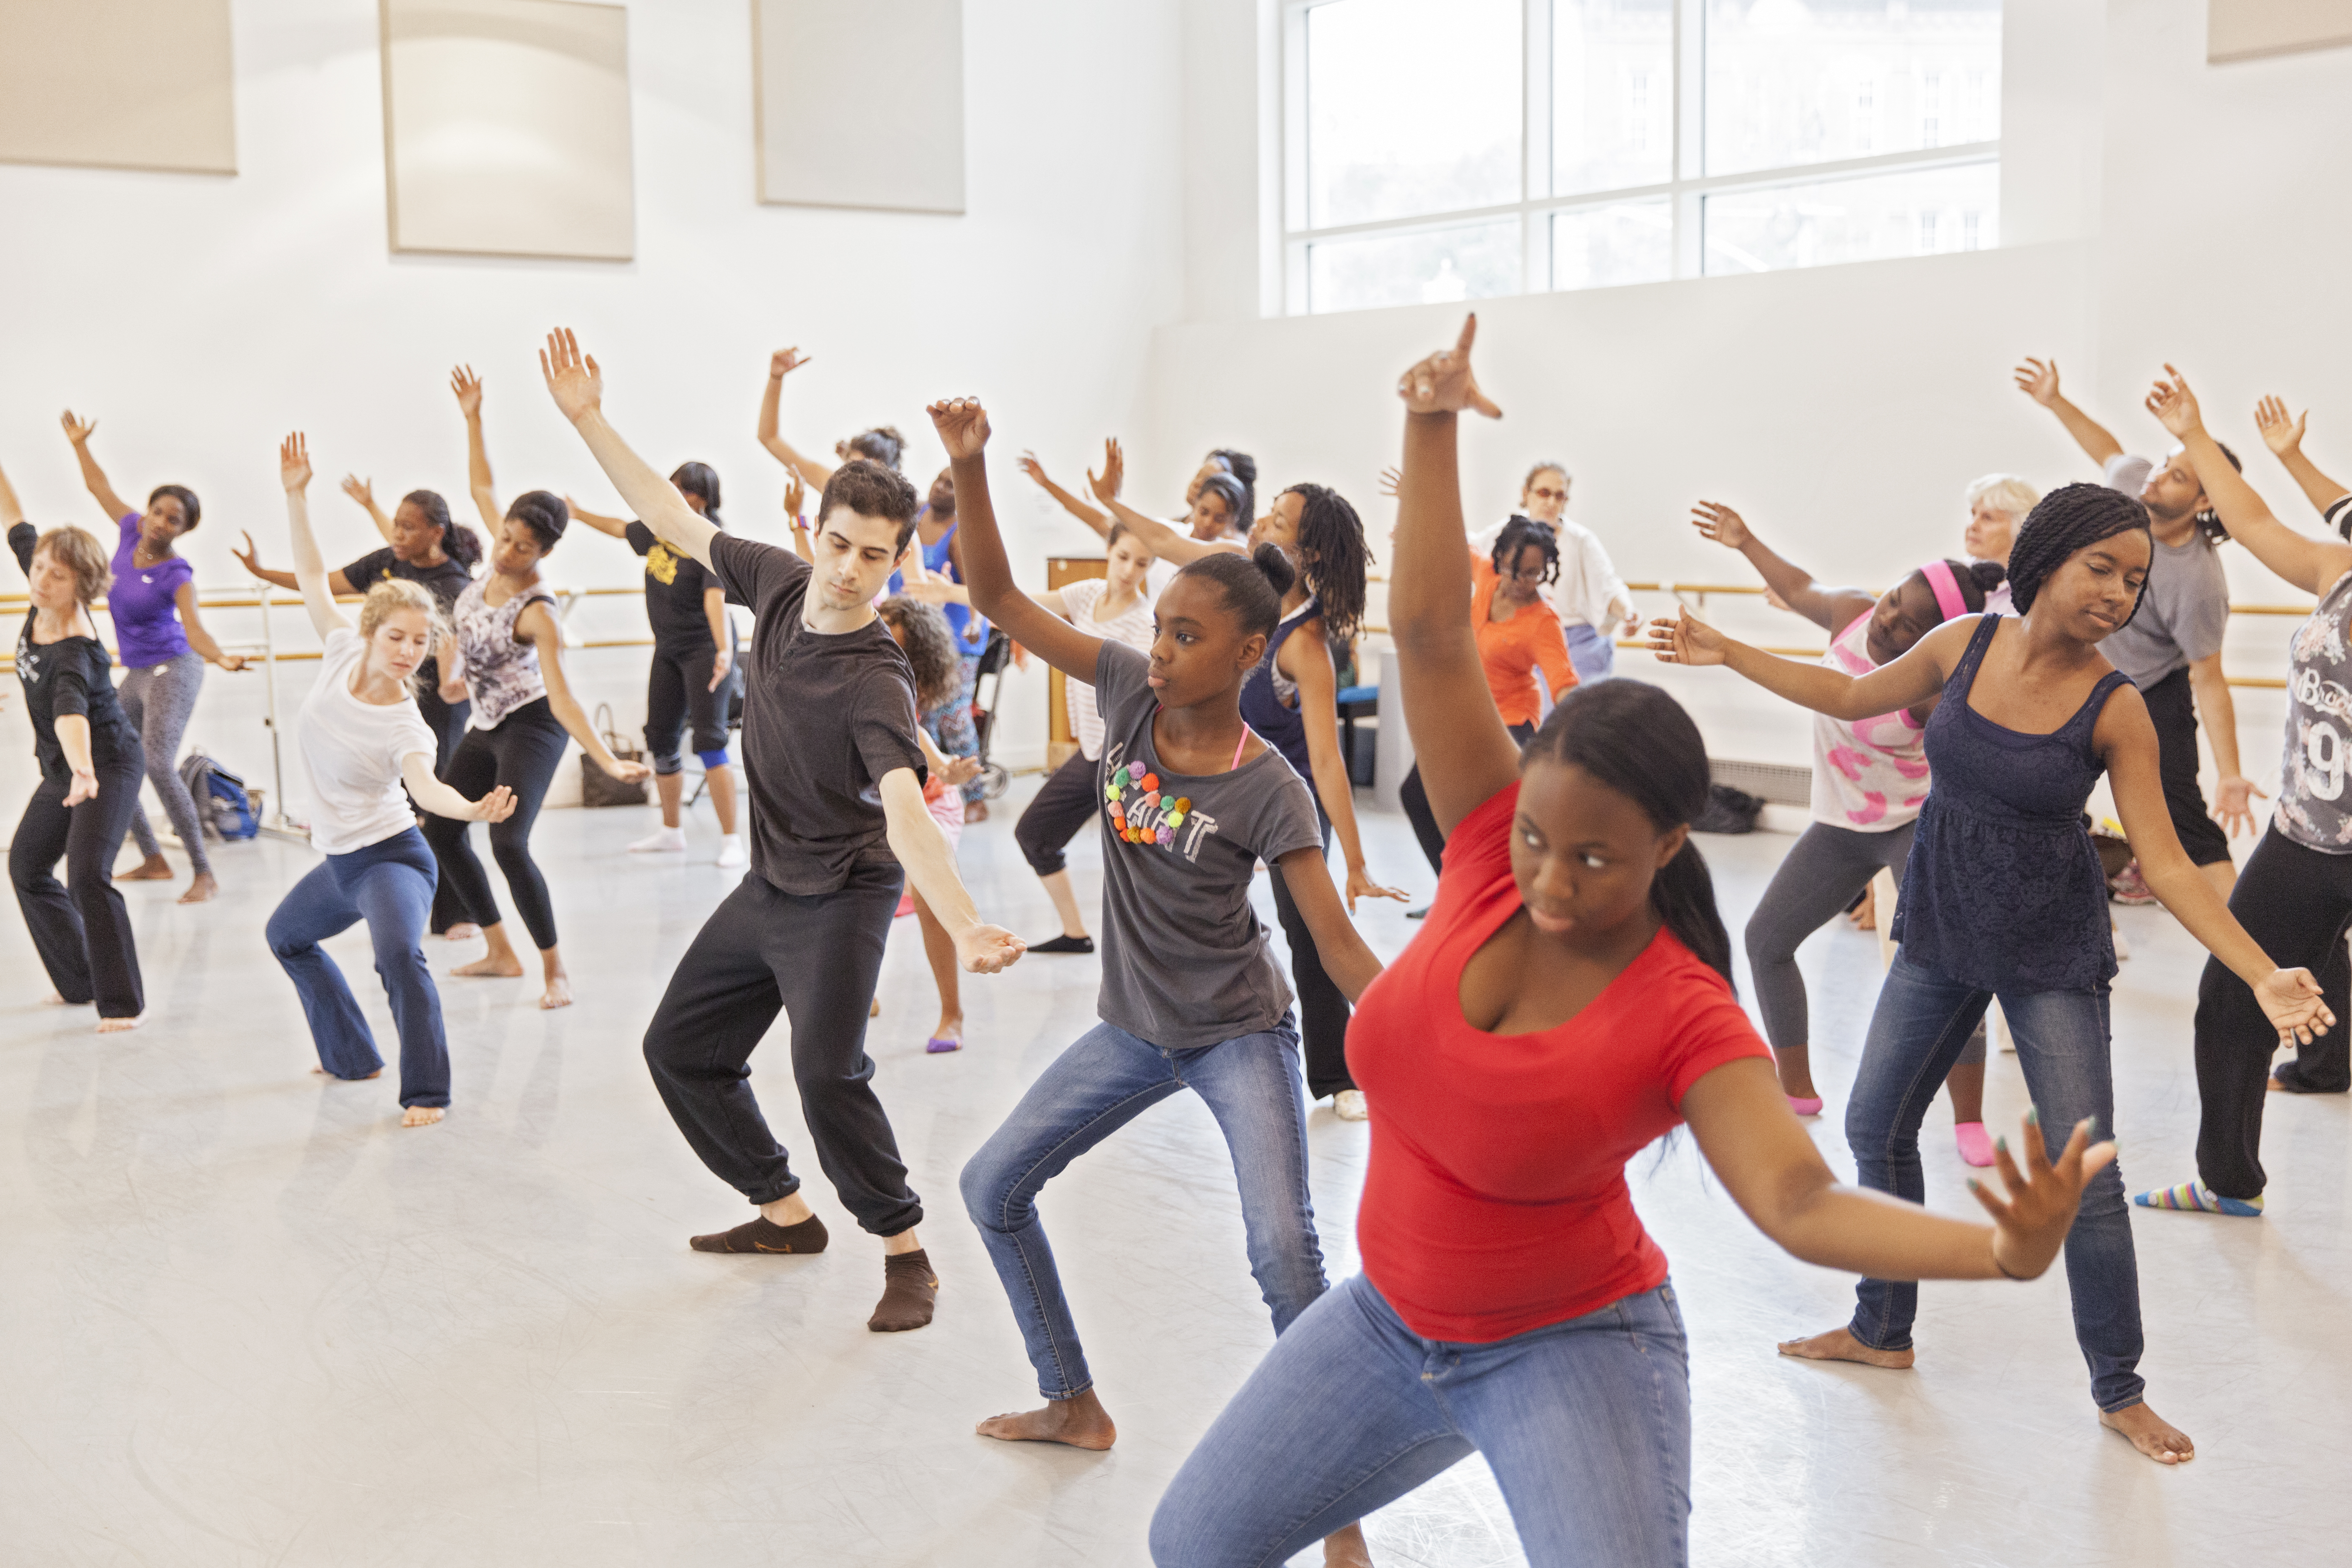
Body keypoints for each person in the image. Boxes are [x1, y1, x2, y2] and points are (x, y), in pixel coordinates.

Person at [1151, 316, 2148, 1567]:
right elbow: (1430, 637)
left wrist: (1999, 1252)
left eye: (1597, 860)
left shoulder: (1682, 1011)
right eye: (1538, 844)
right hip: (1383, 1325)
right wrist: (1432, 419)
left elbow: (1796, 1198)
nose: (1553, 884)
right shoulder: (1484, 854)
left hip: (1572, 1346)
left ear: (1673, 846)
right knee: (1190, 1541)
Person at [1651, 464, 2334, 1463]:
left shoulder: (2116, 707)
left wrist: (2261, 968)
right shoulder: (1964, 644)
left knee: (2083, 1173)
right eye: (2102, 567)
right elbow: (1847, 690)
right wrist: (1726, 650)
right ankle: (1882, 1328)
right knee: (1874, 1121)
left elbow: (2172, 865)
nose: (2117, 593)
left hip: (2051, 950)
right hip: (1939, 926)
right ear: (2046, 559)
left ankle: (2119, 1384)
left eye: (2134, 582)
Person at [942, 394, 1380, 1568]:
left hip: (1240, 1034)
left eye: (1191, 636)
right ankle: (1071, 1400)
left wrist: (1413, 1032)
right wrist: (970, 469)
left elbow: (1331, 941)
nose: (1163, 648)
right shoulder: (1132, 694)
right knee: (992, 1186)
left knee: (1285, 1256)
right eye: (1164, 629)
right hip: (1135, 1029)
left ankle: (1341, 1517)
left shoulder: (1269, 786)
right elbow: (998, 600)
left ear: (1250, 655)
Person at [541, 327, 1022, 1332]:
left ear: (900, 560)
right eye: (839, 543)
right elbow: (667, 513)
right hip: (769, 884)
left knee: (824, 1072)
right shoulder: (776, 579)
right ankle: (783, 1210)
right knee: (678, 1047)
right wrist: (589, 417)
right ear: (815, 529)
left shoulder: (876, 680)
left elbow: (903, 812)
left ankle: (905, 1247)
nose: (849, 569)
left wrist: (966, 919)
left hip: (844, 897)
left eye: (875, 556)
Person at [1687, 498, 2007, 1162]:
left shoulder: (1928, 688)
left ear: (1935, 641)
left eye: (1910, 624)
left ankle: (1969, 1117)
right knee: (1766, 939)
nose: (1888, 620)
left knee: (1949, 963)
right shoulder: (1853, 613)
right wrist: (1746, 541)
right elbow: (1802, 586)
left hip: (1912, 826)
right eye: (1895, 601)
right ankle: (1797, 1090)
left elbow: (1852, 700)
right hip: (1838, 825)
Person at [1084, 460, 1406, 1119]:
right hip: (1213, 793)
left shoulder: (1303, 643)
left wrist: (1356, 857)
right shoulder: (1233, 582)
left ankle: (1339, 1074)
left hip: (1280, 802)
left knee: (1312, 935)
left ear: (1306, 550)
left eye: (1279, 520)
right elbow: (1169, 544)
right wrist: (1111, 500)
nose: (1261, 521)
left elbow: (1326, 758)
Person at [2128, 371, 2352, 1214]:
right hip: (2303, 837)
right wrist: (2193, 432)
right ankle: (2229, 1183)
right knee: (2232, 996)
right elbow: (2253, 522)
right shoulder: (2340, 568)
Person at [263, 435, 516, 1128]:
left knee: (399, 954)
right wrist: (295, 493)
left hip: (392, 857)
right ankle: (351, 1055)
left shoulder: (408, 724)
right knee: (285, 936)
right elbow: (315, 578)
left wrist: (468, 805)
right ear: (372, 631)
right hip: (339, 860)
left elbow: (425, 788)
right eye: (397, 637)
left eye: (419, 642)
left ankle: (427, 1090)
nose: (409, 652)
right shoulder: (340, 646)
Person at [2015, 357, 2255, 900]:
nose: (2155, 475)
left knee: (2182, 816)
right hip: (2079, 670)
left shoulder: (2198, 582)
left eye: (2176, 475)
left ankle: (2247, 946)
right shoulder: (2128, 485)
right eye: (2164, 463)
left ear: (2203, 501)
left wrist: (2232, 773)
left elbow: (2209, 679)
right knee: (2035, 788)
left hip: (2150, 691)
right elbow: (2108, 449)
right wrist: (2055, 399)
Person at [422, 488, 649, 1010]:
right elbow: (481, 487)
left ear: (544, 553)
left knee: (508, 843)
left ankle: (556, 970)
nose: (506, 552)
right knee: (443, 829)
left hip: (535, 725)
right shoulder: (493, 565)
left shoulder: (540, 612)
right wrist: (474, 416)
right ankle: (501, 952)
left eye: (524, 548)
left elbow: (565, 700)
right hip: (488, 721)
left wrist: (608, 760)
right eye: (505, 538)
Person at [234, 478, 482, 936]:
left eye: (409, 528)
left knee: (431, 805)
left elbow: (459, 652)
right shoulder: (388, 564)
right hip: (379, 698)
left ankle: (456, 912)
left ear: (437, 533)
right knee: (410, 804)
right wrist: (265, 572)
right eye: (396, 526)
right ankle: (400, 898)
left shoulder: (454, 585)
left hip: (431, 707)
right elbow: (320, 582)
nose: (397, 534)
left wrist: (452, 683)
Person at [59, 410, 247, 903]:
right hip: (137, 671)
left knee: (157, 764)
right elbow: (99, 487)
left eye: (174, 521)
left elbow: (195, 629)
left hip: (175, 667)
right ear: (149, 510)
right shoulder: (129, 530)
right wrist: (80, 445)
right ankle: (154, 858)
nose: (161, 524)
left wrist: (222, 658)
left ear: (183, 530)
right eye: (159, 512)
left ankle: (204, 873)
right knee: (109, 755)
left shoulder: (176, 572)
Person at [5, 460, 146, 1033]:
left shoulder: (74, 649)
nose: (41, 579)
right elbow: (14, 518)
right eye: (37, 567)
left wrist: (84, 771)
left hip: (104, 764)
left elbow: (71, 717)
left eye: (56, 575)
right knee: (28, 866)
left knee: (88, 875)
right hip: (69, 770)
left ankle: (122, 1003)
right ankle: (78, 982)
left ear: (81, 585)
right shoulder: (42, 590)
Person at [567, 464, 745, 868]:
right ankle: (671, 832)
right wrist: (578, 513)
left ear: (699, 498)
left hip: (704, 650)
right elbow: (618, 528)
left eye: (679, 489)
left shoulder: (710, 540)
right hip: (668, 649)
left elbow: (714, 599)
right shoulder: (662, 526)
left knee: (711, 742)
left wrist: (723, 651)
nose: (671, 493)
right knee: (660, 738)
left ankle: (731, 839)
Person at [1398, 515, 1580, 887]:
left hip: (1512, 721)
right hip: (1465, 713)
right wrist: (1413, 501)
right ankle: (1454, 886)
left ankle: (1504, 888)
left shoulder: (1544, 621)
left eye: (1533, 573)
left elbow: (1563, 683)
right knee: (1415, 795)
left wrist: (1588, 723)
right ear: (1500, 561)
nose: (1522, 583)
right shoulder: (1486, 576)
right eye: (1515, 571)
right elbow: (1449, 538)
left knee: (1497, 813)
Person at [1011, 521, 1159, 954]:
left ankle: (1155, 955)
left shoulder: (1142, 623)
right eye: (1123, 557)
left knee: (1143, 863)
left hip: (1128, 759)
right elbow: (1018, 605)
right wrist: (949, 593)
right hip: (1094, 755)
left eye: (1142, 563)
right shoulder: (1088, 593)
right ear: (1109, 551)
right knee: (1036, 835)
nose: (1130, 570)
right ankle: (1075, 934)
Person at [876, 594, 986, 1052]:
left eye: (897, 648)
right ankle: (861, 991)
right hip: (880, 807)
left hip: (933, 805)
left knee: (928, 891)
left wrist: (946, 769)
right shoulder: (859, 680)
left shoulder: (905, 696)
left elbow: (922, 743)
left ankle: (952, 1014)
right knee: (858, 893)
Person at [1467, 462, 1638, 684]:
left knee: (1569, 707)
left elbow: (1609, 586)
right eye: (1544, 493)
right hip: (1516, 642)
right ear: (1525, 493)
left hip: (1578, 645)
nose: (1551, 502)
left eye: (1560, 496)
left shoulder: (1581, 541)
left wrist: (1629, 613)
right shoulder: (1504, 536)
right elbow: (1459, 547)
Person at [1963, 474, 2039, 614]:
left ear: (2021, 529)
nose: (1973, 525)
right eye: (1973, 513)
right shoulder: (1952, 576)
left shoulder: (2029, 600)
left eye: (1988, 518)